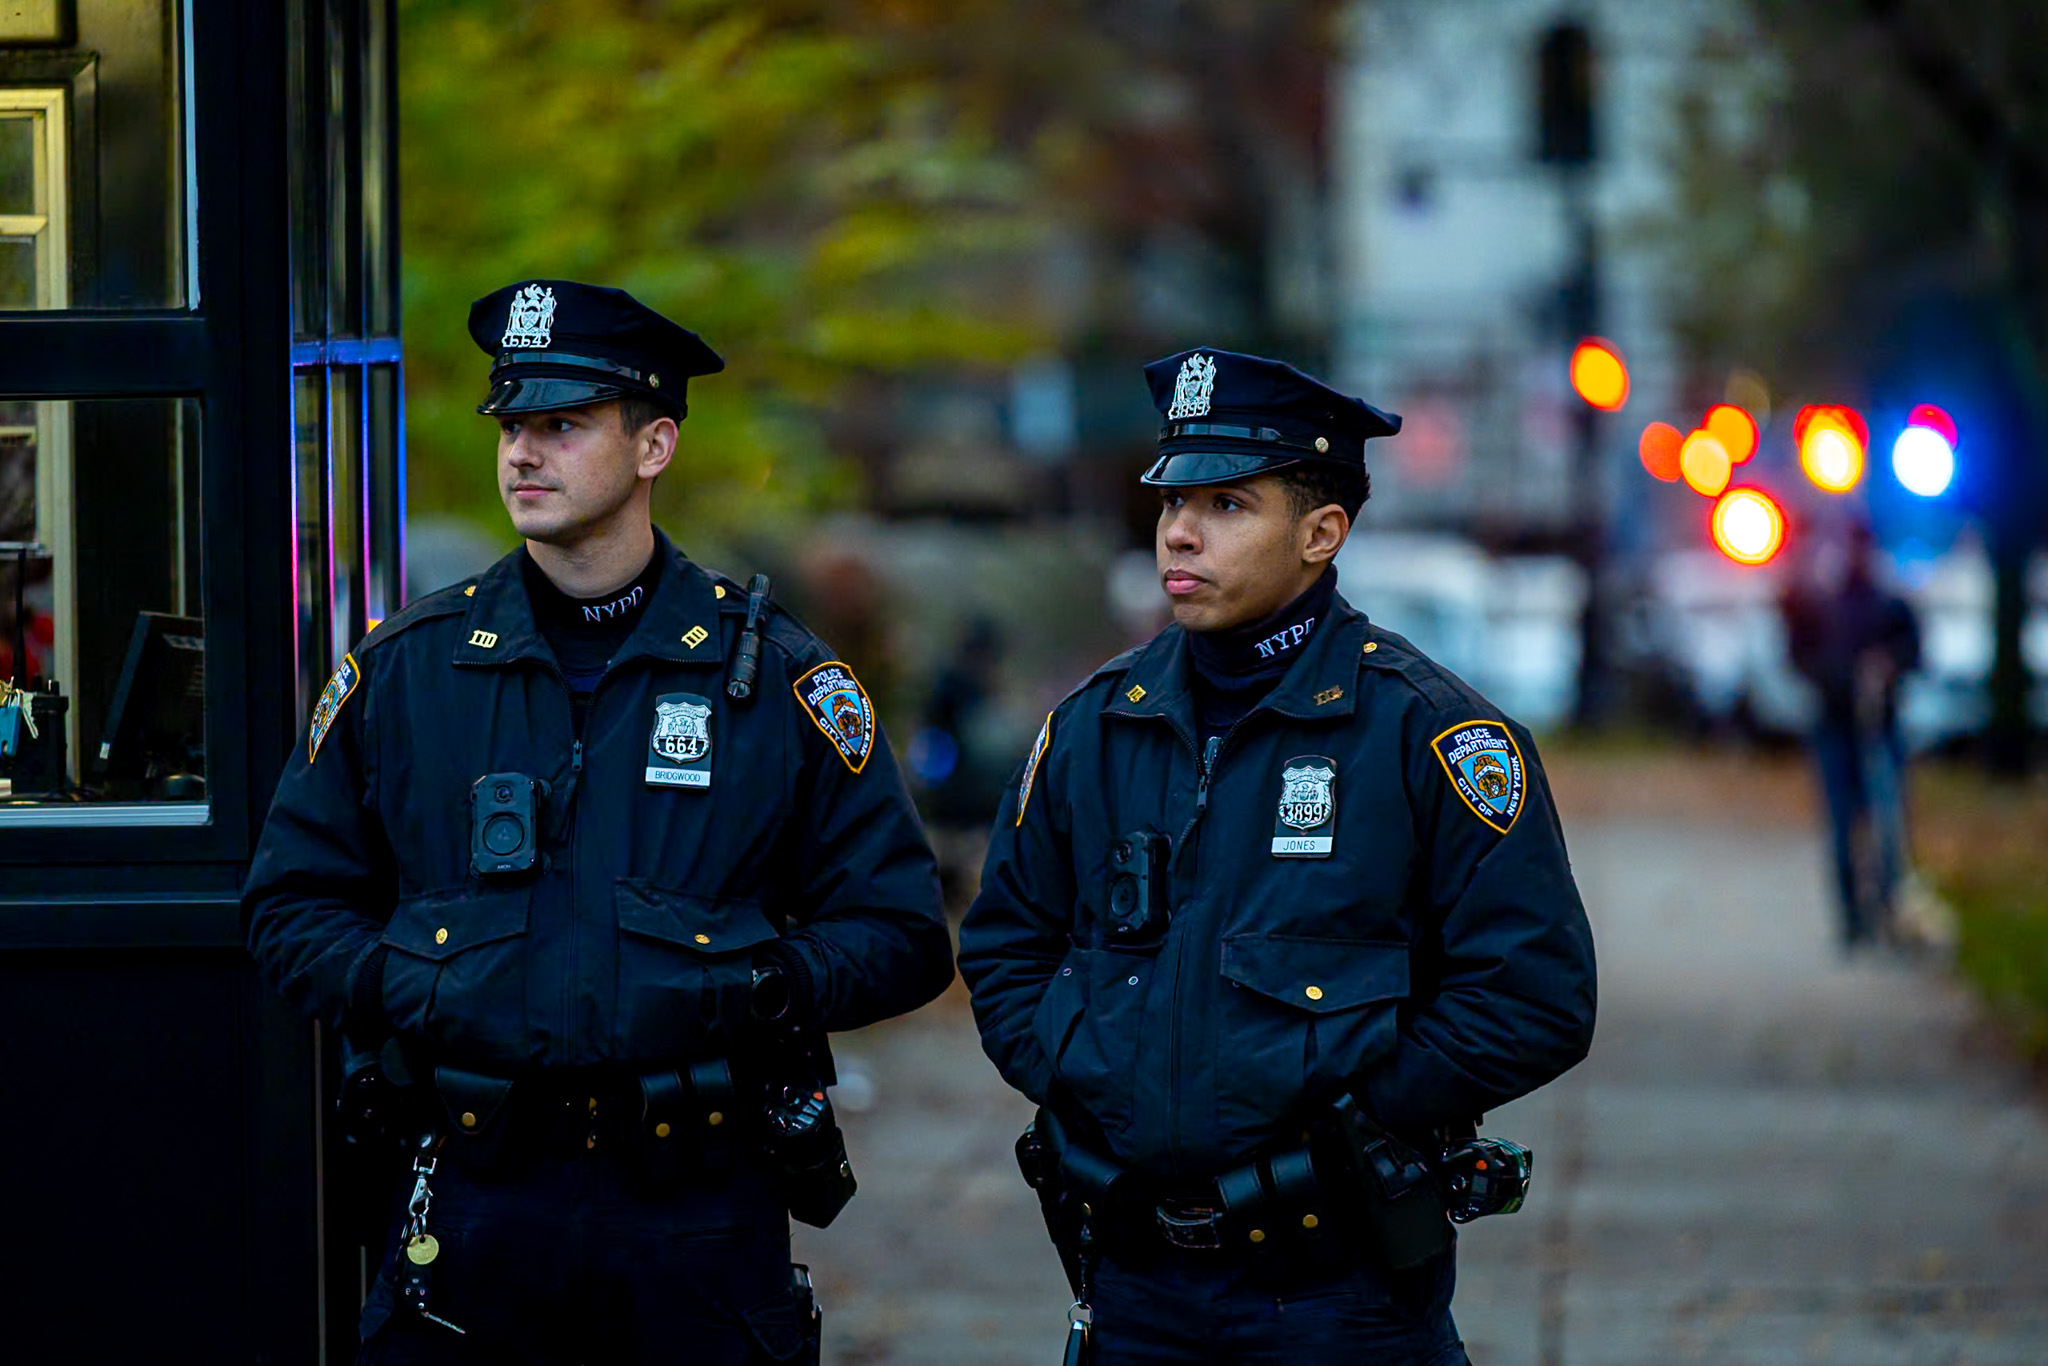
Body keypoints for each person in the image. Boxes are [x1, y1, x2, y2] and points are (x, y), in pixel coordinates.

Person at [245, 279, 954, 1364]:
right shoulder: (405, 673)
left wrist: (757, 983)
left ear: (654, 444)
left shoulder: (773, 683)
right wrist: (419, 981)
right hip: (474, 1202)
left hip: (697, 1211)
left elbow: (901, 933)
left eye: (562, 426)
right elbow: (291, 904)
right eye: (513, 427)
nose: (523, 454)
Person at [957, 348, 1597, 1365]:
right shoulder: (1092, 726)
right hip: (1134, 1286)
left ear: (1319, 532)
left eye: (1225, 503)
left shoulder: (1424, 734)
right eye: (1171, 497)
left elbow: (1532, 995)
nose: (1178, 528)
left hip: (1338, 1295)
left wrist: (1354, 1133)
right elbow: (1004, 945)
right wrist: (1088, 1082)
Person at [1781, 521, 1921, 948]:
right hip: (1836, 726)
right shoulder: (1825, 603)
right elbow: (1797, 652)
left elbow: (1914, 653)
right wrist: (1835, 680)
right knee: (1843, 825)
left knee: (1885, 823)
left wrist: (1886, 671)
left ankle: (1887, 907)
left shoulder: (1890, 604)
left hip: (1880, 729)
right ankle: (1852, 917)